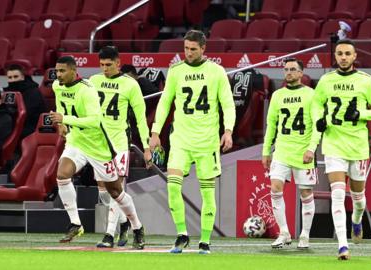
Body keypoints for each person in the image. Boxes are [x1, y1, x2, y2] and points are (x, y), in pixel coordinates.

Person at [149, 30, 236, 254]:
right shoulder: (176, 71)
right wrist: (156, 131)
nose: (188, 53)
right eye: (186, 48)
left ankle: (205, 240)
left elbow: (227, 104)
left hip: (207, 142)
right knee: (172, 186)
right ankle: (182, 235)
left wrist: (228, 131)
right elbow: (165, 101)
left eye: (193, 49)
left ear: (203, 48)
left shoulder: (216, 71)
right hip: (180, 140)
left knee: (207, 192)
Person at [49, 56, 145, 249]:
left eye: (62, 71)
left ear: (73, 71)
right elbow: (60, 105)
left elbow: (94, 121)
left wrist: (65, 117)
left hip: (98, 145)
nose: (58, 75)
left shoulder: (87, 90)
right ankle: (76, 223)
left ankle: (137, 227)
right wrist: (61, 123)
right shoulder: (57, 86)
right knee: (62, 175)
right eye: (57, 71)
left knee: (115, 192)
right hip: (77, 142)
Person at [312, 39, 371, 260]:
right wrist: (319, 119)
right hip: (334, 144)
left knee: (358, 197)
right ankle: (343, 245)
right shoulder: (325, 80)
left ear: (354, 57)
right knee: (337, 194)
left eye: (347, 54)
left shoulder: (366, 81)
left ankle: (357, 219)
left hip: (358, 146)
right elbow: (316, 104)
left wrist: (362, 115)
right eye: (339, 53)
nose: (343, 57)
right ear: (335, 56)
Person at [89, 47, 152, 248]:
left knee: (116, 189)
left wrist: (146, 146)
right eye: (102, 65)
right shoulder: (94, 81)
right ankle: (127, 222)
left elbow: (141, 118)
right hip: (98, 144)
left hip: (119, 143)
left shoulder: (130, 84)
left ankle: (109, 235)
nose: (105, 68)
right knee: (104, 192)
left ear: (118, 63)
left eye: (109, 64)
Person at [261, 58, 320, 250]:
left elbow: (318, 126)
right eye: (286, 69)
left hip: (303, 151)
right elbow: (271, 125)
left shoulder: (312, 94)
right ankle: (284, 233)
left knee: (306, 193)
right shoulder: (277, 95)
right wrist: (266, 151)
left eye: (293, 69)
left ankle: (305, 235)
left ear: (301, 73)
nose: (289, 72)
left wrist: (311, 148)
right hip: (282, 151)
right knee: (275, 188)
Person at [4, 64, 46, 139]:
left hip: (30, 127)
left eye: (16, 77)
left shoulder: (33, 92)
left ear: (23, 77)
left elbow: (27, 114)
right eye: (10, 77)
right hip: (13, 124)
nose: (13, 80)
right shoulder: (8, 93)